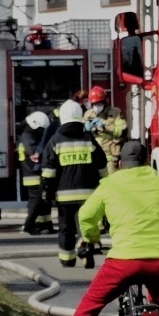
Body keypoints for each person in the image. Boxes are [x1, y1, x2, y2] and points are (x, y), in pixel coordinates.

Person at [52, 142, 159, 316]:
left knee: (91, 303)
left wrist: (92, 238)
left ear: (121, 163)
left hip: (124, 261)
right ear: (146, 159)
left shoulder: (110, 184)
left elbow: (85, 215)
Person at [41, 99, 107, 269]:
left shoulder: (55, 141)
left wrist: (47, 192)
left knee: (66, 227)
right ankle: (86, 249)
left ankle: (67, 259)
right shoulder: (88, 138)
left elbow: (48, 171)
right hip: (89, 194)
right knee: (86, 224)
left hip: (65, 196)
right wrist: (104, 186)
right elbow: (101, 164)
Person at [18, 111, 55, 235]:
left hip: (37, 173)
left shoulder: (31, 135)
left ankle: (45, 224)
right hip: (32, 175)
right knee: (36, 201)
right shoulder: (27, 136)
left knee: (44, 200)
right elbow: (35, 154)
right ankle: (28, 225)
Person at [84, 86, 128, 166]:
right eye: (95, 104)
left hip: (110, 156)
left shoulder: (115, 113)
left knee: (111, 177)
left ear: (105, 102)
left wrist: (104, 125)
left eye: (99, 104)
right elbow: (80, 134)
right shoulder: (88, 114)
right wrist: (84, 129)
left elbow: (123, 132)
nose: (97, 106)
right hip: (92, 155)